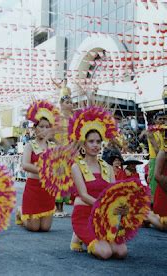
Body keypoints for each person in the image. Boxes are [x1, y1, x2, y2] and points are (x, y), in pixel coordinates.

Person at [70, 107, 128, 260]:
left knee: (121, 253)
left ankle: (87, 238)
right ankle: (79, 235)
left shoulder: (108, 168)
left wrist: (121, 207)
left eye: (98, 141)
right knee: (106, 253)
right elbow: (83, 195)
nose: (95, 145)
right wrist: (105, 206)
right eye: (91, 141)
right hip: (84, 215)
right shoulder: (76, 167)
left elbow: (114, 193)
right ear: (83, 144)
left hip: (105, 216)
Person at [16, 100, 58, 232]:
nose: (44, 130)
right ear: (35, 128)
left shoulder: (53, 147)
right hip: (33, 187)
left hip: (48, 189)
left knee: (45, 228)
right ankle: (20, 211)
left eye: (47, 127)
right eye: (41, 126)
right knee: (34, 228)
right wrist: (43, 170)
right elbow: (25, 165)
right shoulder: (30, 145)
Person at [54, 94, 74, 217]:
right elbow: (54, 135)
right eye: (67, 102)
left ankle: (62, 206)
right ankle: (58, 208)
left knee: (67, 179)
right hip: (60, 152)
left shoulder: (72, 118)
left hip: (70, 152)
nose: (70, 104)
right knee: (59, 179)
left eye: (71, 102)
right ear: (61, 104)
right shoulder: (58, 118)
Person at [148, 148, 167, 230]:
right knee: (164, 225)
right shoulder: (163, 152)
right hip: (164, 192)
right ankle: (146, 214)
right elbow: (157, 176)